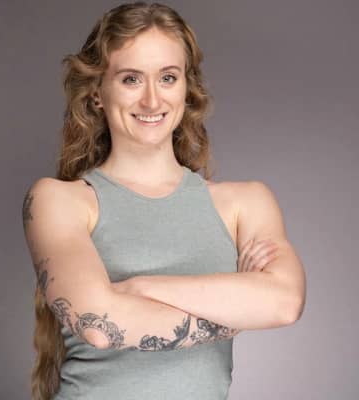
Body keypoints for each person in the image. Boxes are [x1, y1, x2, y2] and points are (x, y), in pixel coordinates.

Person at [21, 2, 306, 399]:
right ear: (98, 92)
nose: (152, 101)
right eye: (131, 79)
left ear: (187, 88)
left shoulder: (246, 203)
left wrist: (140, 288)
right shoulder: (59, 201)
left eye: (168, 78)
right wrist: (239, 309)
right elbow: (99, 325)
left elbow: (284, 303)